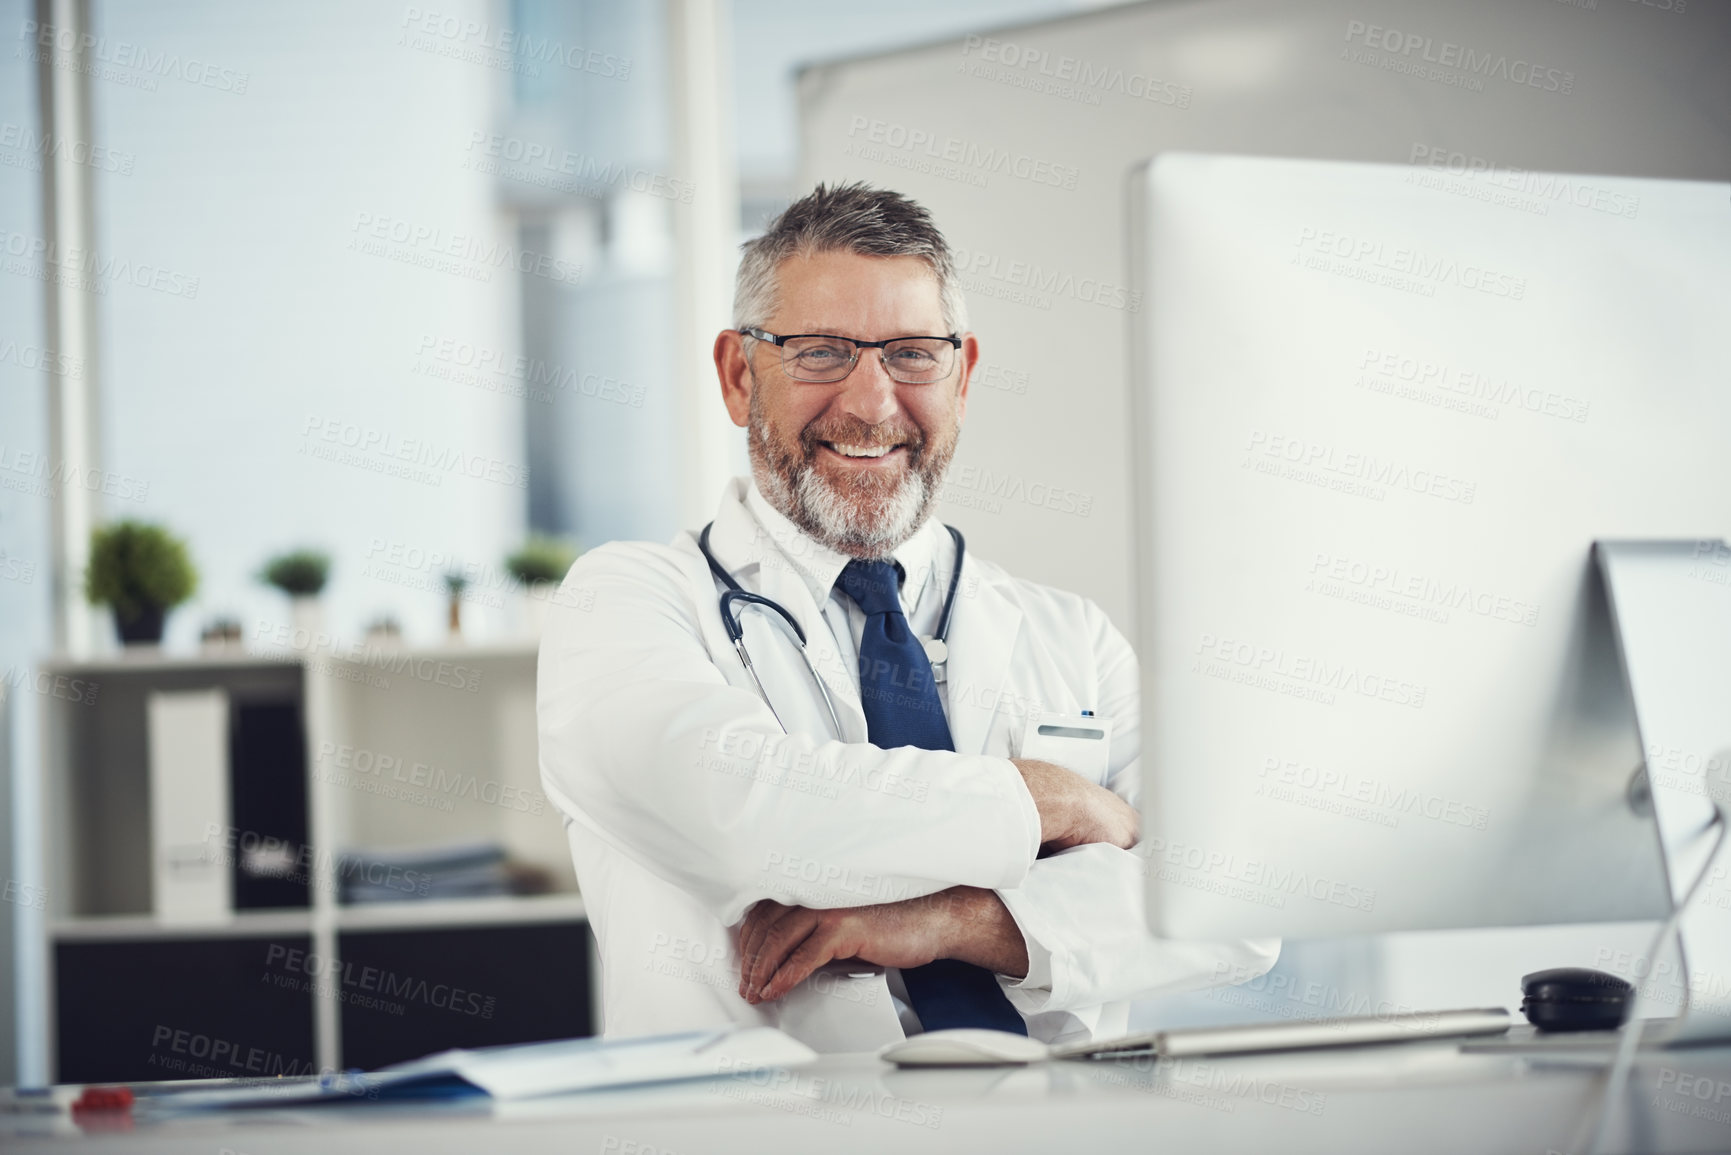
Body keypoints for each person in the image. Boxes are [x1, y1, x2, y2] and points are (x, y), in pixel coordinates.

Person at [537, 183, 1276, 1052]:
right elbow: (749, 816)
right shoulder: (625, 601)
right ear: (740, 376)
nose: (871, 402)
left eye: (912, 354)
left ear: (961, 377)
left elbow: (1230, 906)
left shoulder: (1069, 634)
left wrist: (957, 922)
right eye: (819, 352)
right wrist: (1048, 800)